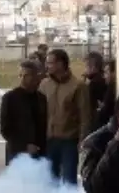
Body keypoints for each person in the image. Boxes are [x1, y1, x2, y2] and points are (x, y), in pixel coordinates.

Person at [39, 47, 92, 184]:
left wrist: (82, 140)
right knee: (50, 179)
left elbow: (85, 115)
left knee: (69, 179)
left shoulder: (78, 86)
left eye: (50, 63)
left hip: (69, 141)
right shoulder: (44, 84)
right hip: (49, 140)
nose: (47, 66)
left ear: (61, 64)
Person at [0, 60, 48, 164]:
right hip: (17, 152)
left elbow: (44, 124)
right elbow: (5, 129)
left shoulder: (41, 98)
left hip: (39, 152)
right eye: (21, 75)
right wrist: (24, 146)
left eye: (27, 75)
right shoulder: (10, 98)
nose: (22, 78)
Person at [83, 52, 116, 133]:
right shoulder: (100, 80)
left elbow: (89, 105)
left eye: (86, 66)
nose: (85, 69)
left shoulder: (94, 83)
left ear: (93, 67)